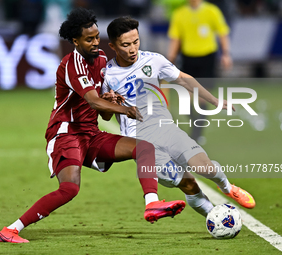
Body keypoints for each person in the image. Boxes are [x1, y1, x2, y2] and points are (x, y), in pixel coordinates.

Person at [0, 8, 185, 244]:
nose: (96, 42)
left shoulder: (103, 60)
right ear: (75, 41)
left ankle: (152, 204)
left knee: (144, 147)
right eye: (89, 39)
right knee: (70, 189)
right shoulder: (71, 64)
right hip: (66, 132)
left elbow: (102, 112)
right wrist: (125, 109)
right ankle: (10, 230)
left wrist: (111, 100)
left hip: (90, 133)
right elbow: (91, 99)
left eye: (97, 36)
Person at [101, 16, 255, 218]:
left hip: (167, 130)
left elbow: (183, 79)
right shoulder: (107, 75)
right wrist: (109, 102)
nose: (132, 49)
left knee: (205, 167)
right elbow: (104, 116)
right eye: (125, 45)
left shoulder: (153, 60)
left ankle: (227, 188)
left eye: (136, 42)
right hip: (142, 143)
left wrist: (214, 101)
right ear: (112, 45)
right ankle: (215, 217)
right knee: (188, 183)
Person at [167, 0, 232, 143]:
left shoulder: (211, 11)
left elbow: (222, 32)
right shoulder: (179, 14)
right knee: (186, 100)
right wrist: (170, 58)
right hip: (188, 58)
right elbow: (175, 38)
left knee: (202, 97)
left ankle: (196, 135)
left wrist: (226, 54)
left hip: (207, 58)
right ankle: (196, 128)